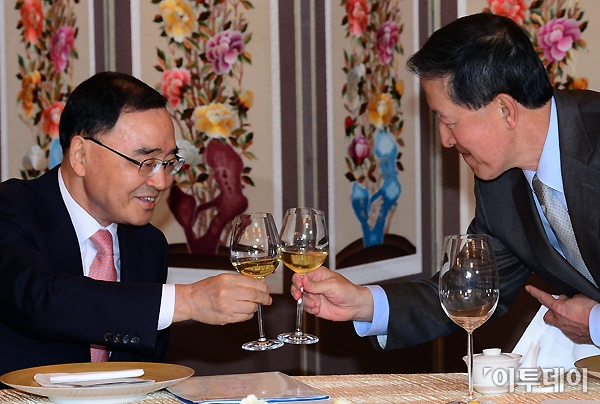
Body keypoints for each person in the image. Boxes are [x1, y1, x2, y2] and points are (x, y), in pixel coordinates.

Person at [291, 12, 600, 352]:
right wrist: (362, 303)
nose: (445, 140)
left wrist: (595, 324)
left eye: (449, 121)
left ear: (505, 110)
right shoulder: (498, 185)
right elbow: (470, 290)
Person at [0, 71, 272, 377]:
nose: (161, 182)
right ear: (80, 155)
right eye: (146, 162)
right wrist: (188, 300)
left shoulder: (148, 244)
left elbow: (144, 371)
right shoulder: (11, 209)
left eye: (168, 163)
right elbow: (40, 299)